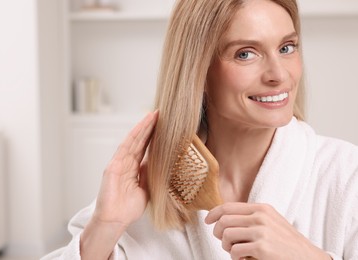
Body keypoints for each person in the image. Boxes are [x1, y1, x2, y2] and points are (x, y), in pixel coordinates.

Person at [43, 0, 358, 259]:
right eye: (245, 53)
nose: (279, 74)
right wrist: (104, 226)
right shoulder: (152, 188)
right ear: (198, 72)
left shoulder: (345, 174)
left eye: (287, 47)